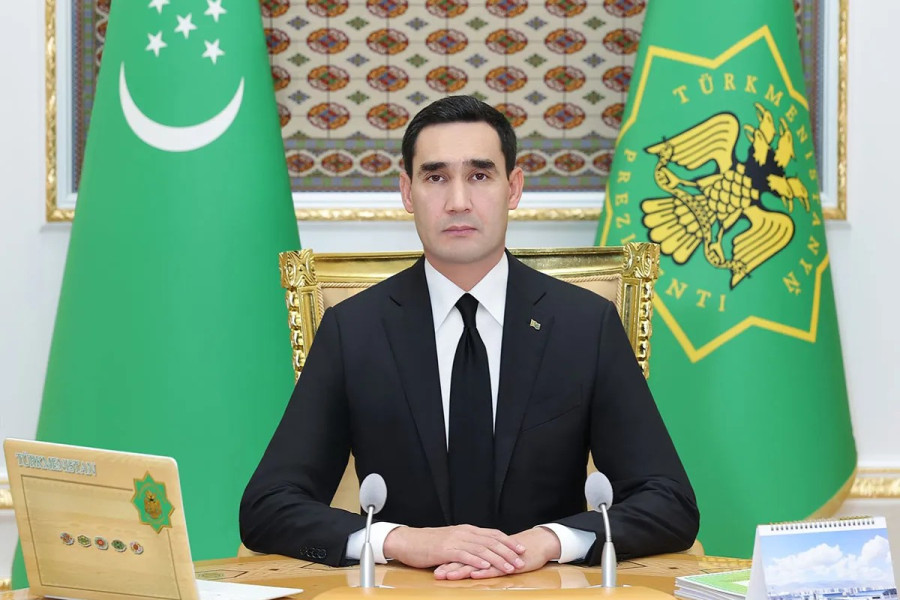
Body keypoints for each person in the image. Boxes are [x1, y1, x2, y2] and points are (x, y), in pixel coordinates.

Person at [240, 96, 699, 580]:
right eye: (436, 177)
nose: (458, 201)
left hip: (543, 588)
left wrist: (550, 540)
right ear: (407, 192)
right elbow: (268, 506)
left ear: (513, 188)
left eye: (479, 175)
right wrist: (400, 540)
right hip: (408, 589)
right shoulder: (354, 329)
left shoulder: (585, 325)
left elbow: (669, 502)